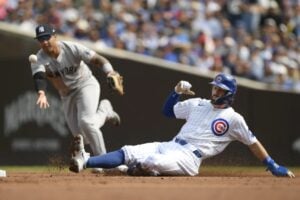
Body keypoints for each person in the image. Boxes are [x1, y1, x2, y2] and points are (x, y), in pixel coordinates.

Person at [69, 73, 295, 177]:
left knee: (149, 161)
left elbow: (253, 143)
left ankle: (135, 170)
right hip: (170, 145)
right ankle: (85, 160)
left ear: (229, 94)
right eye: (214, 87)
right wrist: (175, 93)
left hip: (189, 158)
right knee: (127, 151)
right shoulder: (199, 103)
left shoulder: (234, 118)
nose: (214, 91)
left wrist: (272, 164)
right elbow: (167, 112)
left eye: (220, 90)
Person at [30, 24, 123, 172]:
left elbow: (97, 59)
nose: (45, 42)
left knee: (86, 122)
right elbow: (39, 77)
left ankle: (104, 162)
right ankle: (105, 111)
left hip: (85, 85)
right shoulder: (38, 58)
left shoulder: (71, 48)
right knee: (81, 138)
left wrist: (110, 72)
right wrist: (41, 93)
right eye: (41, 39)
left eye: (47, 37)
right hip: (66, 95)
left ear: (54, 36)